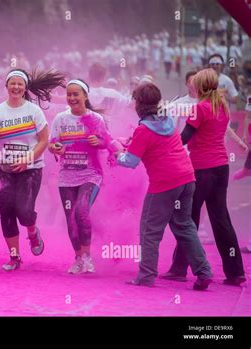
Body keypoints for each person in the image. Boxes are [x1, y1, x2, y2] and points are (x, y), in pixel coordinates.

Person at [114, 82, 213, 290]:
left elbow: (130, 162)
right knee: (185, 225)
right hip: (187, 178)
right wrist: (130, 143)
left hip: (164, 184)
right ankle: (204, 271)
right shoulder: (166, 120)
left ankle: (146, 275)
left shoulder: (144, 129)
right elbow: (152, 143)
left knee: (150, 230)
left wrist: (116, 151)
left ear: (139, 103)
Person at [164, 69, 246, 287]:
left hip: (201, 169)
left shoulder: (199, 109)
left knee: (187, 219)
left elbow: (183, 138)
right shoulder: (222, 107)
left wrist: (161, 146)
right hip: (221, 168)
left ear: (199, 86)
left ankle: (179, 268)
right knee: (221, 218)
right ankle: (236, 271)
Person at [0, 68, 65, 271]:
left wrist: (28, 158)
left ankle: (32, 232)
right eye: (12, 83)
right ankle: (15, 257)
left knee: (24, 211)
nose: (16, 87)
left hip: (31, 169)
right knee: (6, 212)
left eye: (20, 84)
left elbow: (44, 140)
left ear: (25, 87)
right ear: (6, 86)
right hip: (4, 168)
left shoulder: (34, 111)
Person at [49, 79, 112, 274]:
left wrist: (98, 141)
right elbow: (52, 143)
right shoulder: (60, 119)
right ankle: (77, 259)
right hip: (66, 176)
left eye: (76, 94)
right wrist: (56, 148)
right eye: (69, 94)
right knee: (71, 219)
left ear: (85, 96)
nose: (72, 98)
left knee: (81, 210)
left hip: (90, 175)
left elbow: (107, 142)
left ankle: (87, 257)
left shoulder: (95, 120)